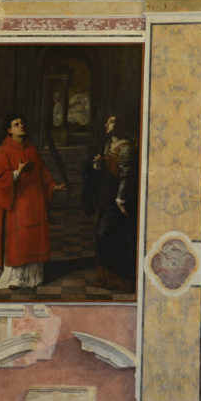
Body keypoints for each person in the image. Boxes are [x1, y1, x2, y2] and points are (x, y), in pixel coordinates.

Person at [0, 113, 68, 290]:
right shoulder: (1, 152)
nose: (21, 126)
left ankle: (33, 277)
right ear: (9, 130)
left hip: (35, 202)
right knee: (18, 239)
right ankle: (14, 279)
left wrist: (53, 186)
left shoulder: (32, 150)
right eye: (16, 124)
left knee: (32, 238)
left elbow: (43, 173)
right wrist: (17, 173)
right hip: (17, 204)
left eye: (22, 123)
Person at [82, 111, 138, 291]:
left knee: (108, 236)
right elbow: (103, 172)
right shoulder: (108, 145)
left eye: (112, 122)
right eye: (107, 121)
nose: (107, 125)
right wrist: (98, 165)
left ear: (120, 125)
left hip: (117, 200)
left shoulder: (126, 148)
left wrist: (121, 198)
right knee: (103, 237)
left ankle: (119, 279)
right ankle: (105, 279)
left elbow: (126, 176)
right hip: (105, 198)